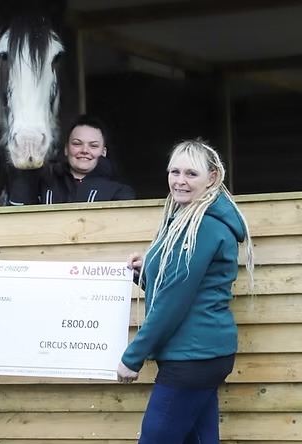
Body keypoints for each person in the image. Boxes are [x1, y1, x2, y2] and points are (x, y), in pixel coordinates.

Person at [116, 140, 255, 443]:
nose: (180, 181)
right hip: (204, 355)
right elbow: (183, 287)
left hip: (192, 358)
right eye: (174, 171)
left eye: (191, 174)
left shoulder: (200, 227)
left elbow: (171, 303)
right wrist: (145, 273)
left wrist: (132, 357)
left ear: (213, 177)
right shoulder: (185, 221)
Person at [8, 114, 135, 204]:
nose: (85, 150)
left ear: (103, 152)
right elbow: (16, 216)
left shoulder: (119, 191)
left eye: (93, 145)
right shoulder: (43, 182)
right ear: (66, 149)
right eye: (77, 143)